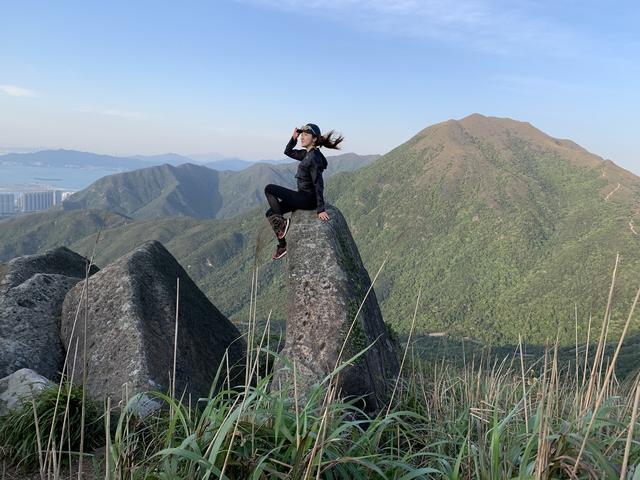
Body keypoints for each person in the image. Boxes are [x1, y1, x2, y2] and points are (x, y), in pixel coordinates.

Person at [264, 123, 344, 260]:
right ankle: (282, 245)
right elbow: (288, 151)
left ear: (314, 139)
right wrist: (293, 138)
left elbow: (318, 183)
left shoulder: (313, 158)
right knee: (270, 213)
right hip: (302, 196)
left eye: (305, 135)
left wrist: (321, 209)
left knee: (269, 189)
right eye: (301, 134)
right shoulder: (307, 154)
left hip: (307, 199)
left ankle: (283, 224)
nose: (302, 137)